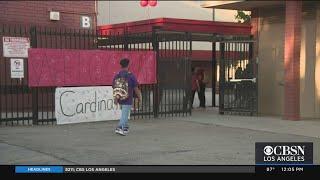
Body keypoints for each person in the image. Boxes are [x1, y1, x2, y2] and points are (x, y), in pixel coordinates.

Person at [113, 58, 142, 136]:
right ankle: (120, 127)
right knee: (125, 114)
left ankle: (125, 127)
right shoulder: (131, 75)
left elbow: (115, 87)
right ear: (128, 65)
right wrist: (139, 96)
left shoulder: (117, 75)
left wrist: (116, 98)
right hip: (128, 98)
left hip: (120, 98)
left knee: (124, 113)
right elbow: (136, 88)